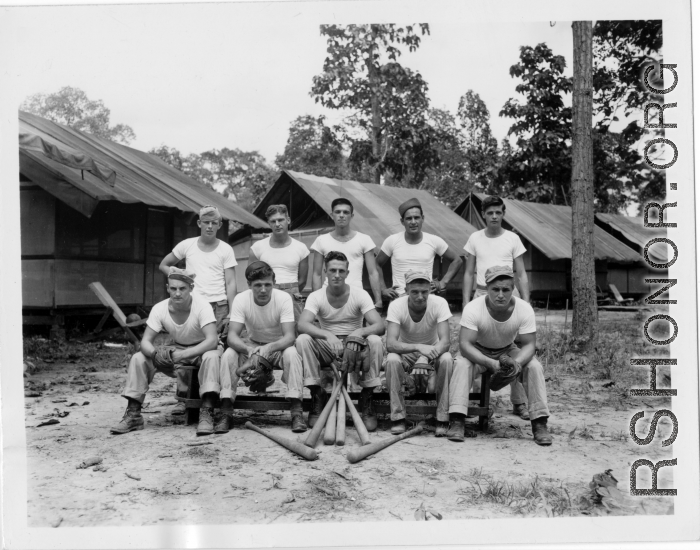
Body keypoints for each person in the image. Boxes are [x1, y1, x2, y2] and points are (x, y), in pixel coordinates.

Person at [110, 267, 227, 437]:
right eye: (173, 288)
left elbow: (212, 340)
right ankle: (133, 413)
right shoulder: (160, 308)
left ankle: (207, 412)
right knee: (138, 358)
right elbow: (145, 342)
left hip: (203, 348)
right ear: (167, 288)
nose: (177, 293)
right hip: (178, 347)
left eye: (182, 288)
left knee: (212, 356)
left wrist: (183, 355)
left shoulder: (202, 306)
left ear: (191, 289)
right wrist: (154, 355)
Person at [459, 266, 552, 446]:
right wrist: (490, 363)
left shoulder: (523, 308)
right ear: (487, 288)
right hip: (478, 349)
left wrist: (514, 364)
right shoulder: (473, 308)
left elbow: (529, 345)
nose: (500, 294)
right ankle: (457, 418)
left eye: (505, 289)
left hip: (507, 349)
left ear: (513, 289)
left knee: (534, 366)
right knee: (461, 365)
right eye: (495, 289)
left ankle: (539, 422)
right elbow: (464, 344)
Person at [159, 205, 238, 415]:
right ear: (199, 224)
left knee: (213, 352)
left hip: (218, 306)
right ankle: (183, 398)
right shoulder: (187, 245)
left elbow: (231, 283)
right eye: (206, 222)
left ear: (220, 225)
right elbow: (164, 265)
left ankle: (213, 396)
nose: (210, 227)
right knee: (186, 347)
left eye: (214, 223)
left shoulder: (225, 249)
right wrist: (176, 271)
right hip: (192, 305)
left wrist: (232, 311)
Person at [296, 251, 385, 431]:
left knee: (375, 340)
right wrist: (327, 335)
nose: (337, 275)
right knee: (303, 339)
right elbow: (302, 324)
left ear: (347, 273)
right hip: (328, 346)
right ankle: (317, 394)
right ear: (325, 271)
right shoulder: (316, 296)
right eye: (332, 270)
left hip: (355, 346)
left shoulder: (359, 294)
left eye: (341, 271)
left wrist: (358, 333)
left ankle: (366, 396)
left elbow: (379, 326)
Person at [462, 195, 530, 420]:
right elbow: (468, 272)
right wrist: (466, 303)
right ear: (483, 214)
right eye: (490, 213)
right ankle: (471, 402)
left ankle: (519, 402)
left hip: (508, 293)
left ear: (503, 214)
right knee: (477, 345)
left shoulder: (512, 238)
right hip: (482, 292)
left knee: (515, 347)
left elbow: (520, 273)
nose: (494, 216)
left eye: (498, 212)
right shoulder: (475, 238)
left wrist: (526, 302)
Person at [385, 271, 471, 441]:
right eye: (415, 292)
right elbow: (391, 344)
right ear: (407, 289)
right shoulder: (396, 305)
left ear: (430, 289)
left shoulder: (439, 303)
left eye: (424, 292)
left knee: (446, 359)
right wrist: (418, 348)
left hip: (433, 351)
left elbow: (445, 342)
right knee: (392, 360)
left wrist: (426, 356)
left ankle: (442, 418)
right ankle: (398, 417)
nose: (420, 296)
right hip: (406, 352)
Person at [220, 261, 305, 432]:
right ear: (249, 285)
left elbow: (289, 336)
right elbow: (232, 336)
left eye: (268, 284)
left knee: (292, 354)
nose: (263, 289)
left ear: (274, 283)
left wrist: (270, 348)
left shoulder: (283, 298)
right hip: (252, 345)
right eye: (258, 285)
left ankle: (296, 411)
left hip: (278, 346)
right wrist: (249, 350)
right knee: (229, 354)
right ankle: (226, 409)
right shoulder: (241, 299)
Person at [376, 197, 463, 300]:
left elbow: (457, 261)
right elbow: (376, 264)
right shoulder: (392, 241)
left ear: (423, 218)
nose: (413, 222)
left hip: (426, 298)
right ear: (402, 221)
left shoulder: (433, 240)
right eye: (409, 218)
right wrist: (383, 289)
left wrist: (443, 282)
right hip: (399, 298)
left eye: (416, 217)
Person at [310, 198, 383, 309]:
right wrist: (316, 302)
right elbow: (317, 274)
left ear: (352, 216)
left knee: (358, 326)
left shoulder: (364, 239)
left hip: (357, 298)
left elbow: (373, 273)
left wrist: (378, 301)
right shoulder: (321, 240)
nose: (342, 215)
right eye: (338, 212)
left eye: (346, 212)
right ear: (332, 215)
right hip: (328, 298)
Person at [249, 204, 309, 319]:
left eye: (280, 220)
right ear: (269, 223)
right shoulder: (257, 248)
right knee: (267, 332)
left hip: (293, 296)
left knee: (295, 332)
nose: (277, 224)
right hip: (266, 293)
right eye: (273, 221)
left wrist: (289, 291)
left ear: (288, 220)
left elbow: (302, 281)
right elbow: (251, 278)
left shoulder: (301, 248)